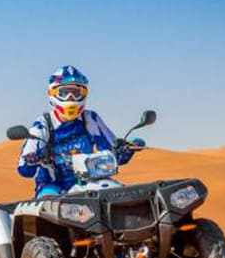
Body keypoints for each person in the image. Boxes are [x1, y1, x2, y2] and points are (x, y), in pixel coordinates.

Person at [17, 65, 144, 198]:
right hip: (53, 185)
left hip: (90, 182)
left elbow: (114, 153)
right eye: (64, 93)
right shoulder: (42, 125)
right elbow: (24, 169)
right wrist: (32, 159)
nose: (71, 98)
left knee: (119, 194)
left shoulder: (90, 118)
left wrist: (127, 148)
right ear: (52, 94)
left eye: (76, 93)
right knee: (48, 203)